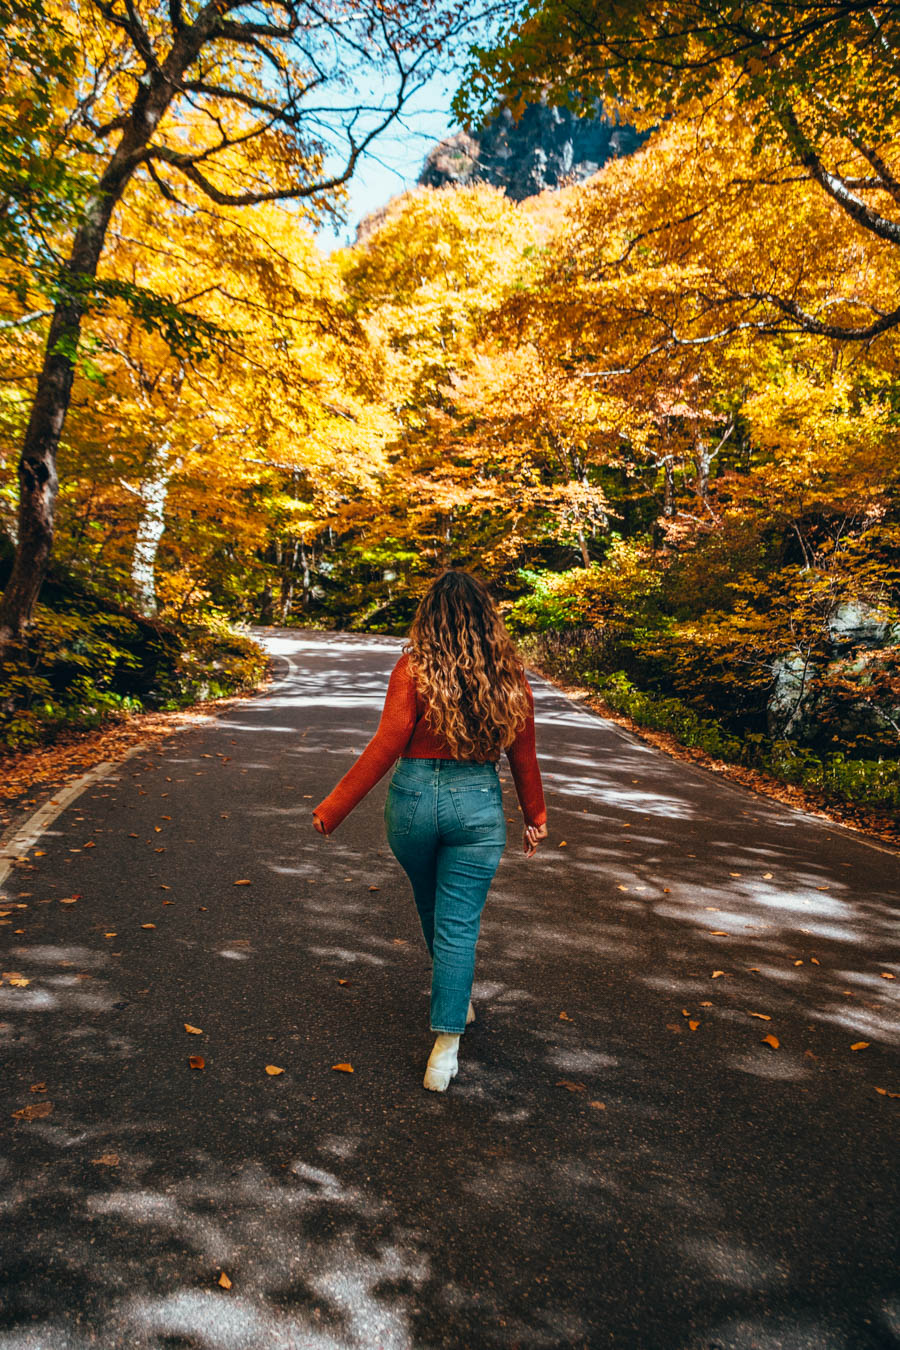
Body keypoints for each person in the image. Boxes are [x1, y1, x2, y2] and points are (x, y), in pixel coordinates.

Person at [313, 569, 548, 1091]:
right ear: (488, 620)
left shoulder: (413, 668)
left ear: (430, 618)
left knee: (431, 906)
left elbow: (389, 742)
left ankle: (453, 1000)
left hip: (414, 801)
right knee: (457, 922)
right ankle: (445, 1049)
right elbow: (523, 753)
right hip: (477, 805)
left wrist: (335, 807)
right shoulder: (510, 676)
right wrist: (535, 815)